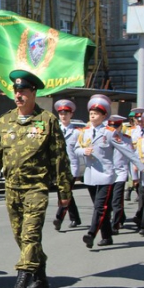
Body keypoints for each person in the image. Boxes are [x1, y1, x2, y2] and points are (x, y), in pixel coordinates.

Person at [0, 70, 71, 288]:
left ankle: (20, 283)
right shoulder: (5, 120)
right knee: (22, 237)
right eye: (16, 91)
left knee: (30, 235)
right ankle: (40, 278)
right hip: (12, 189)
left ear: (34, 93)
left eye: (23, 91)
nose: (18, 95)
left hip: (36, 188)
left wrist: (64, 191)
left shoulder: (48, 121)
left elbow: (59, 158)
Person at [76, 95, 143, 249]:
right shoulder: (84, 132)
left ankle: (91, 234)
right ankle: (107, 236)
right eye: (91, 113)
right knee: (101, 208)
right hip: (91, 174)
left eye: (96, 113)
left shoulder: (109, 132)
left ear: (104, 116)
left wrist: (140, 166)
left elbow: (127, 151)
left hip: (106, 175)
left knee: (100, 207)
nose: (92, 115)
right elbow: (76, 149)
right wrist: (83, 151)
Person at [51, 99, 82, 230]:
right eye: (61, 114)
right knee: (65, 192)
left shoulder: (76, 132)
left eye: (66, 113)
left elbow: (80, 148)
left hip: (71, 167)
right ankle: (75, 218)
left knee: (65, 192)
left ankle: (59, 218)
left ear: (71, 115)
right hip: (58, 167)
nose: (63, 116)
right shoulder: (54, 130)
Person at [108, 114, 133, 234]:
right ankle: (121, 217)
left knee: (116, 201)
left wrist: (134, 176)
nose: (114, 129)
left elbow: (131, 157)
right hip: (107, 174)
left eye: (116, 127)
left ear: (120, 127)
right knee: (109, 201)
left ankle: (115, 225)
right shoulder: (104, 137)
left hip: (120, 173)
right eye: (111, 126)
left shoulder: (126, 139)